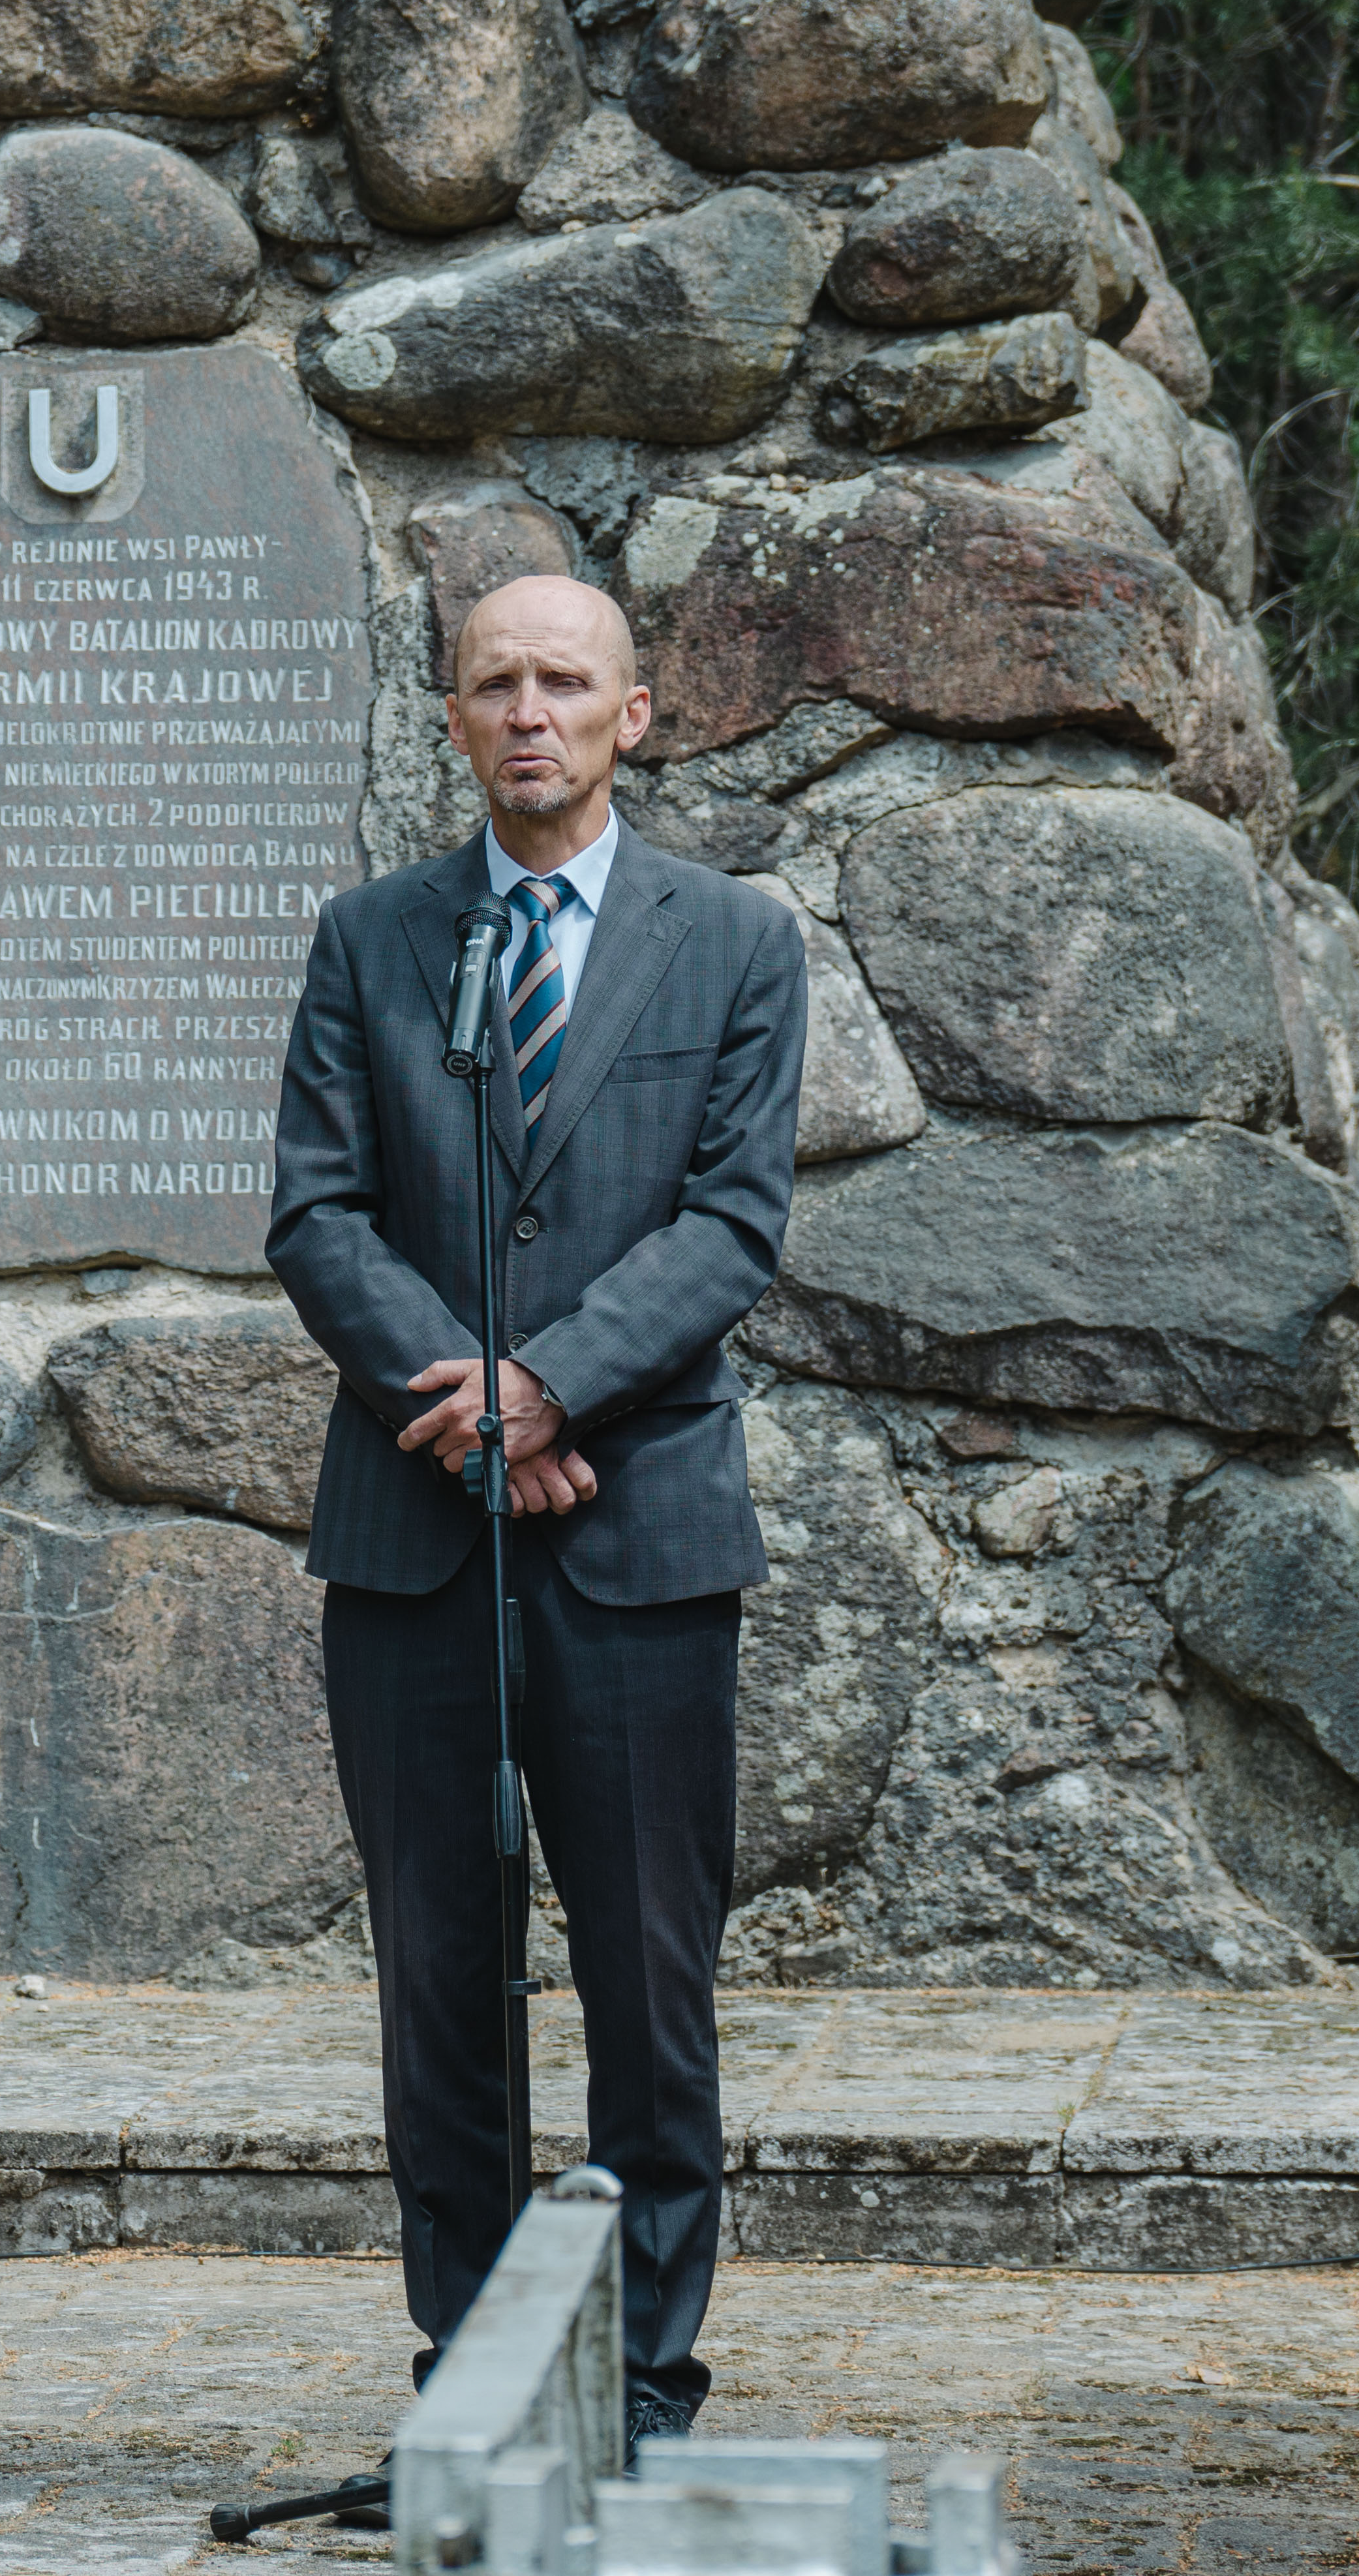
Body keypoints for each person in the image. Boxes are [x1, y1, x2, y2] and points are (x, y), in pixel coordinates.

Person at [268, 572, 806, 2462]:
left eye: (563, 682)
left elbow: (732, 1220)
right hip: (415, 1537)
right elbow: (317, 1212)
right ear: (451, 718)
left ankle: (642, 2382)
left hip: (639, 1535)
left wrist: (551, 1388)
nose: (527, 712)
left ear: (629, 715)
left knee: (646, 1976)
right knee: (440, 1976)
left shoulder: (733, 942)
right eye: (492, 682)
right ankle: (474, 2377)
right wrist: (470, 1418)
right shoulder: (372, 938)